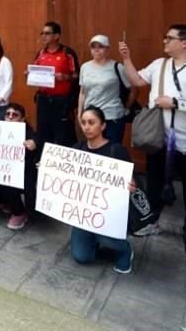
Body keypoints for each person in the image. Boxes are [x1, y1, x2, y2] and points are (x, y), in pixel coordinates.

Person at [119, 24, 186, 234]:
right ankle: (151, 222)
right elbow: (136, 80)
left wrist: (175, 103)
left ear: (185, 43)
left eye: (169, 38)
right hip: (159, 138)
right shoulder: (160, 64)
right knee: (154, 183)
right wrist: (126, 59)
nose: (165, 41)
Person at [70, 107, 135, 274]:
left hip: (109, 213)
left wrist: (131, 186)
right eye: (83, 123)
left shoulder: (116, 150)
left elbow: (133, 181)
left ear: (103, 126)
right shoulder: (77, 148)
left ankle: (124, 250)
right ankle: (96, 241)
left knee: (105, 234)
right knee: (81, 256)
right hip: (85, 213)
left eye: (91, 122)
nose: (86, 127)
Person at [77, 34, 137, 145]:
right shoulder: (85, 67)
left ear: (107, 49)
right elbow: (82, 92)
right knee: (93, 149)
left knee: (112, 149)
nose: (96, 49)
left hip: (111, 116)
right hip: (91, 117)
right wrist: (80, 113)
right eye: (93, 46)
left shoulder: (117, 67)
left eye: (100, 46)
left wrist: (126, 108)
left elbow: (133, 89)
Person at [28, 21, 80, 148]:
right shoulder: (41, 53)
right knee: (43, 134)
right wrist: (30, 74)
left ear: (56, 36)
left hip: (62, 101)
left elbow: (77, 76)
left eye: (47, 33)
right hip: (44, 100)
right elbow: (36, 71)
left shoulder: (67, 53)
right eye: (42, 33)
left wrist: (65, 77)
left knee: (64, 136)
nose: (43, 36)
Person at [2, 103, 40, 229]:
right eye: (7, 114)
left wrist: (35, 145)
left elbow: (39, 141)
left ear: (23, 119)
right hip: (3, 172)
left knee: (34, 209)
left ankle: (20, 212)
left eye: (15, 115)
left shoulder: (29, 133)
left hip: (26, 174)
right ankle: (13, 207)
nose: (10, 117)